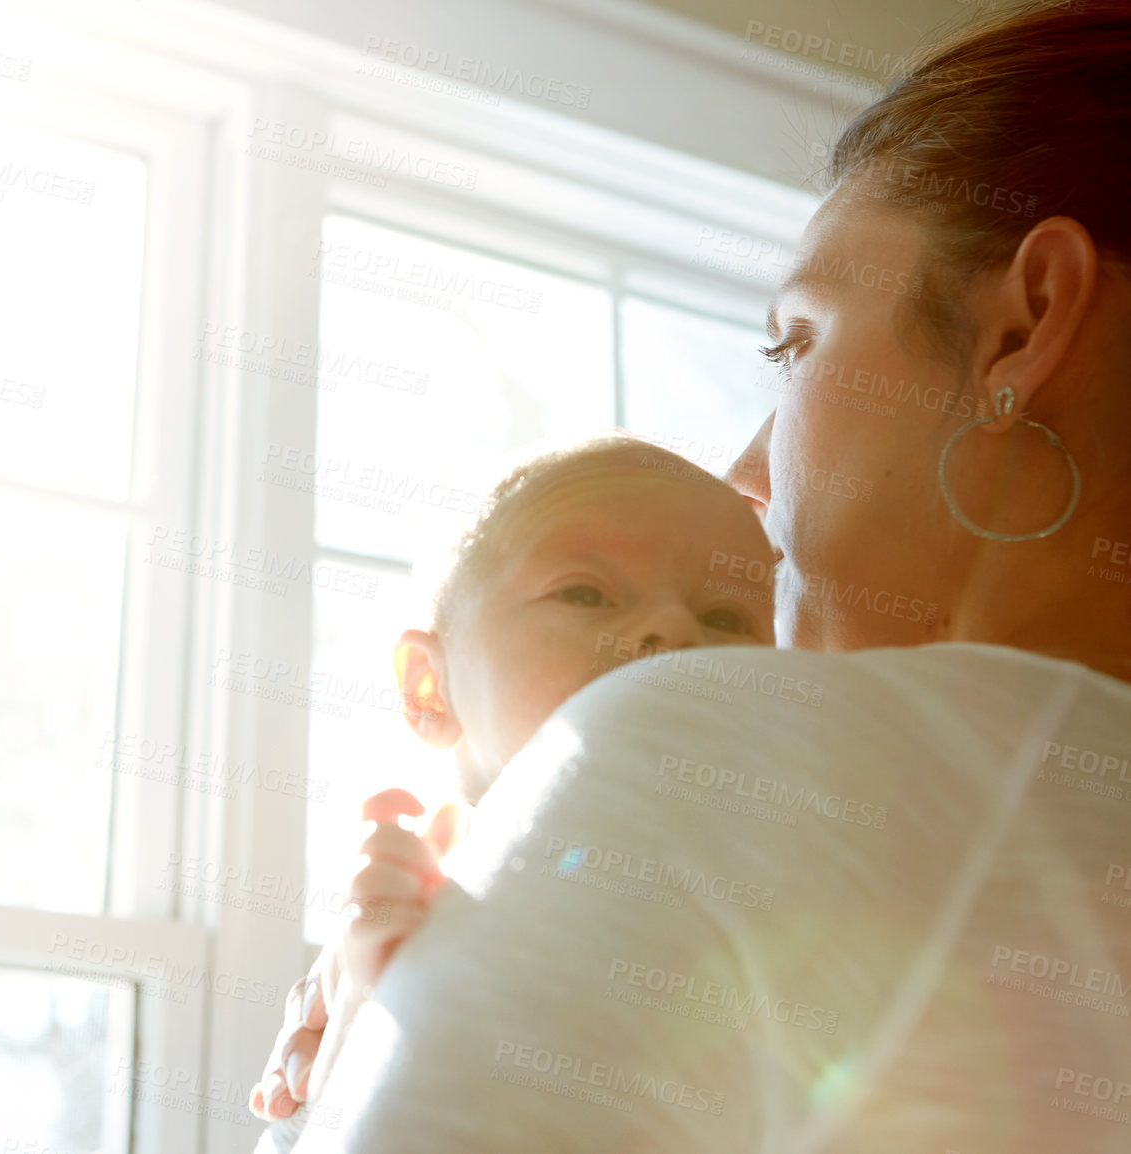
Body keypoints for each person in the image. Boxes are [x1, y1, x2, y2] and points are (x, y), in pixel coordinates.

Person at [256, 2, 1131, 1150]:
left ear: (1023, 323)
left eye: (795, 344)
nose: (747, 471)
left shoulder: (703, 754)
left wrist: (373, 1049)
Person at [245, 434, 779, 1124]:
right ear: (431, 688)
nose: (675, 629)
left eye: (725, 617)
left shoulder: (787, 871)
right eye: (587, 594)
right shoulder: (418, 898)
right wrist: (371, 1010)